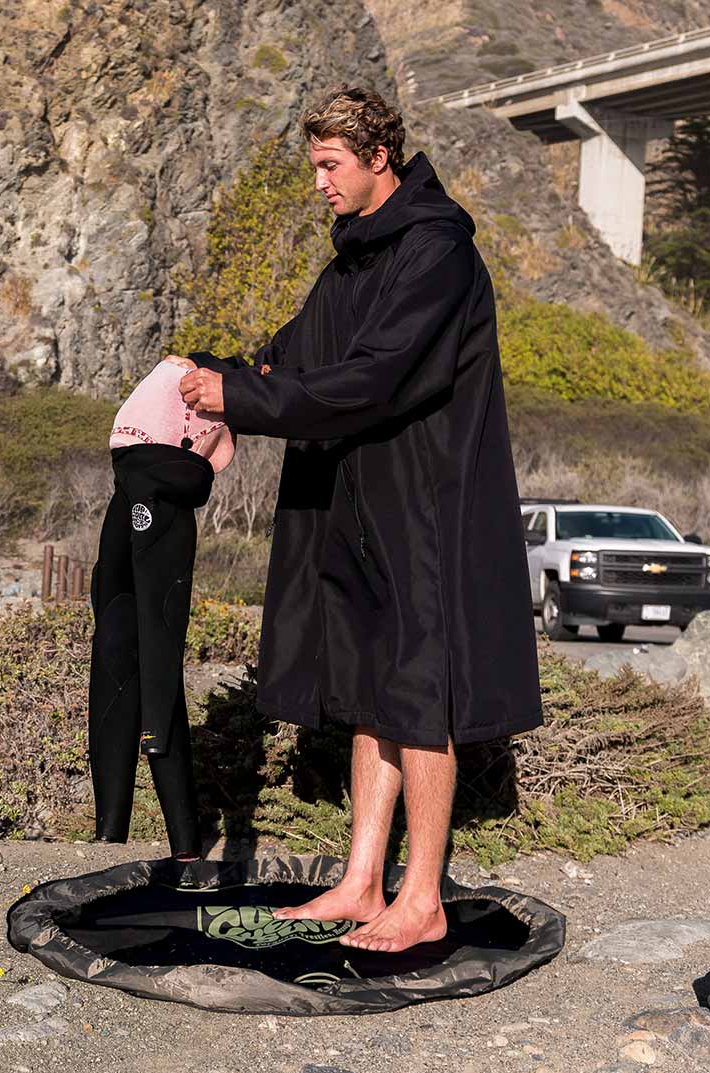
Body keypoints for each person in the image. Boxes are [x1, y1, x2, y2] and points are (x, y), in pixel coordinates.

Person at [168, 85, 543, 953]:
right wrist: (211, 374)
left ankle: (423, 900)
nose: (320, 184)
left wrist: (246, 398)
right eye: (314, 168)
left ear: (379, 158)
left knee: (419, 692)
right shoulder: (356, 258)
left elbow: (376, 378)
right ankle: (362, 882)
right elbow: (294, 353)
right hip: (356, 503)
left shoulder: (436, 253)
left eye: (330, 166)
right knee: (374, 685)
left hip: (424, 507)